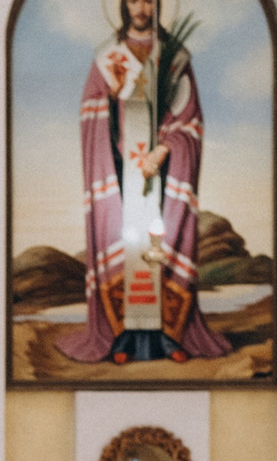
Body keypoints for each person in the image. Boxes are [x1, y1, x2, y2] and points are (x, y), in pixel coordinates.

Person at [58, 0, 233, 367]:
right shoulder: (108, 57)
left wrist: (165, 148)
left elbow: (190, 120)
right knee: (127, 249)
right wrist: (113, 117)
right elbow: (91, 113)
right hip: (121, 170)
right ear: (123, 4)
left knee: (160, 247)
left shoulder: (174, 57)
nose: (141, 7)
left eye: (149, 0)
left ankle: (169, 336)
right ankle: (123, 335)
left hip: (163, 172)